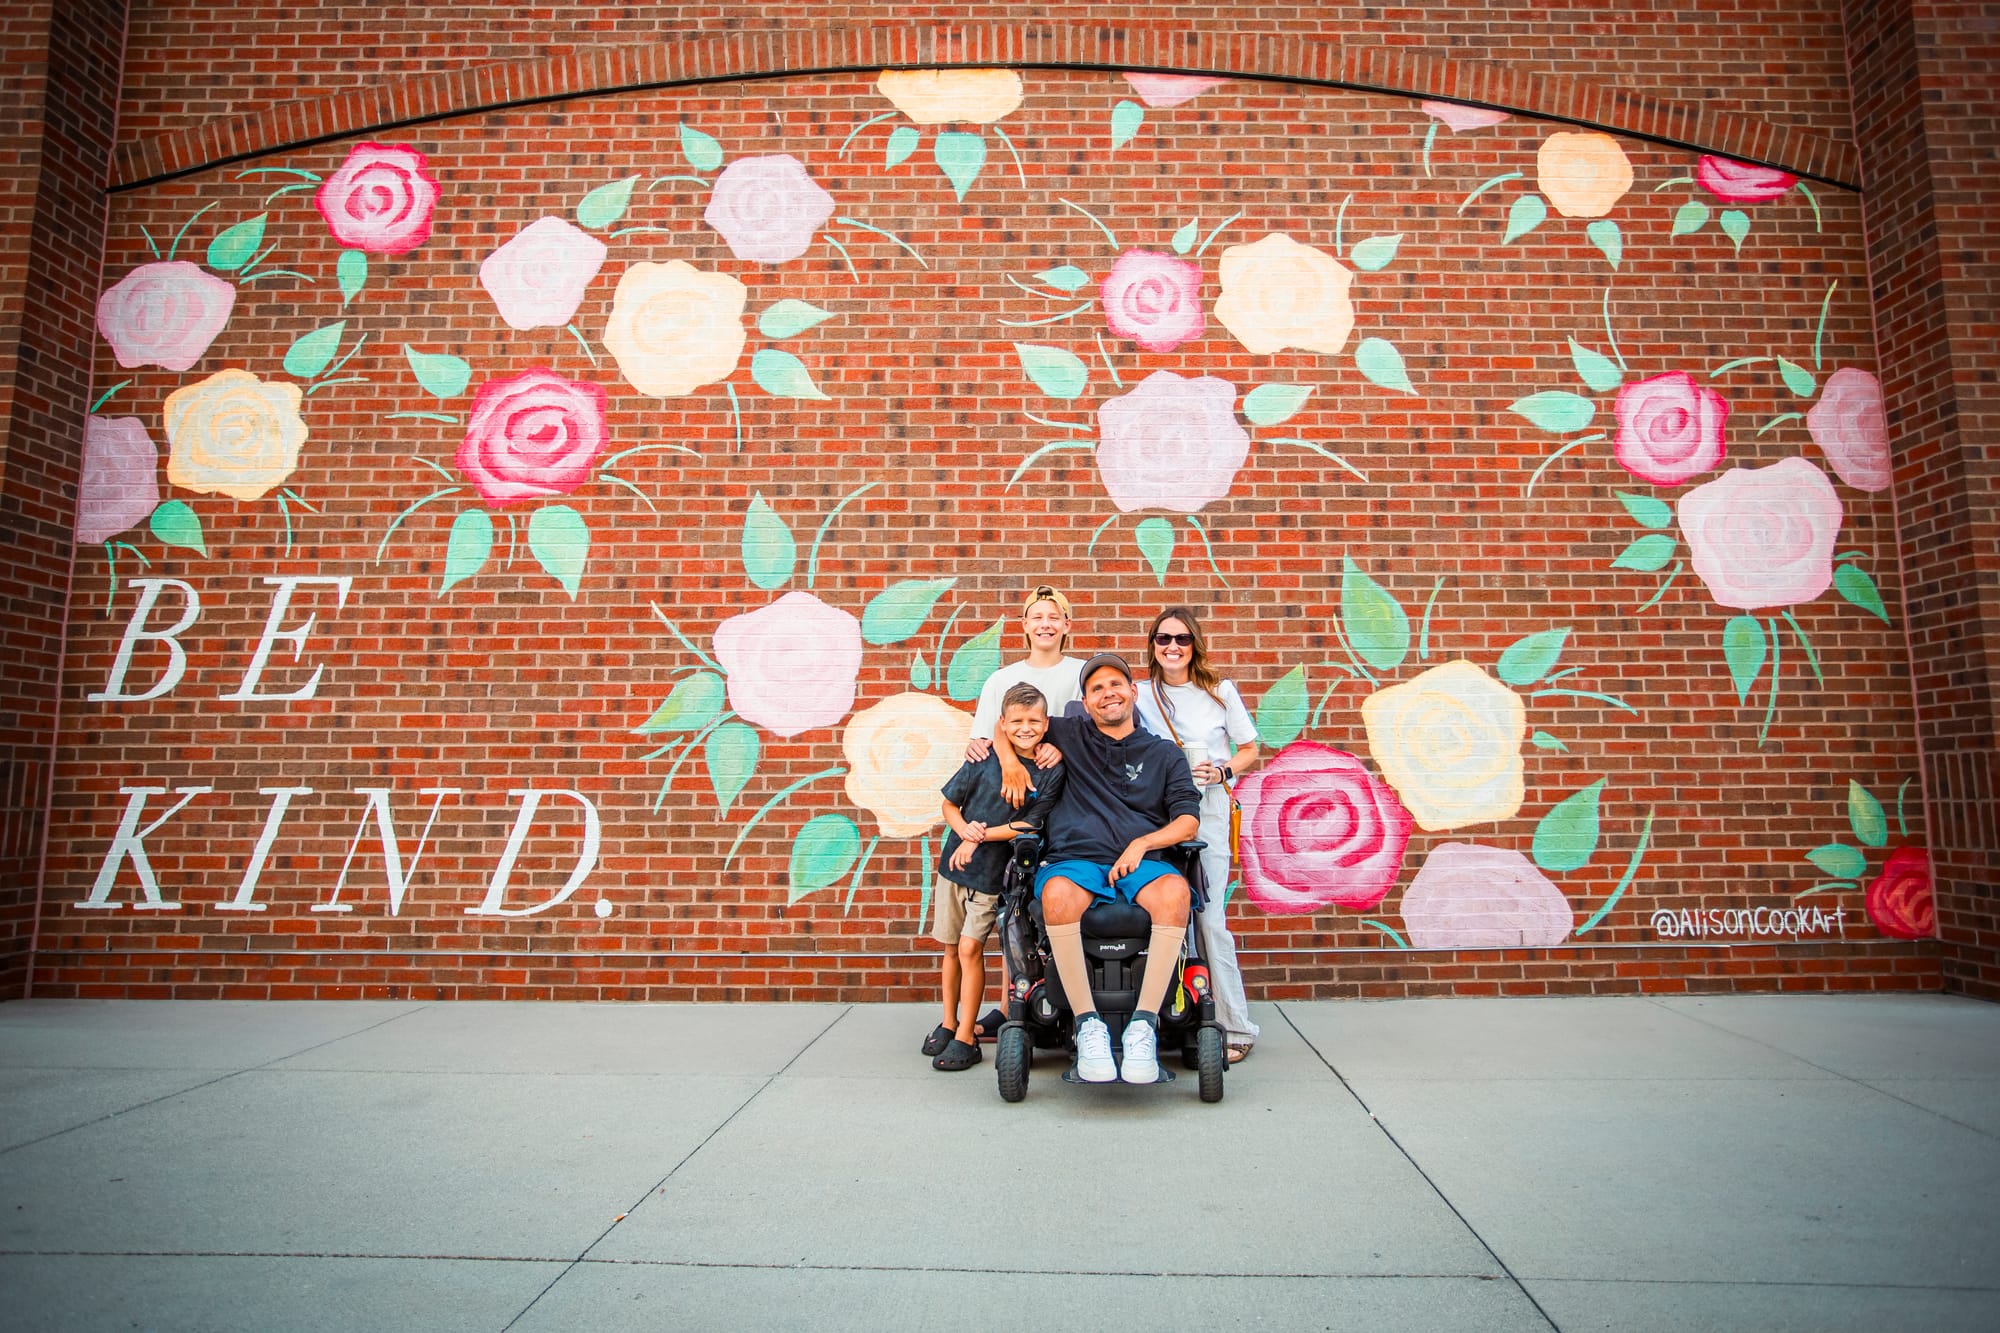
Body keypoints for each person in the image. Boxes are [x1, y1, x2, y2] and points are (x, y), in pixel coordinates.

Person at [1032, 653, 1201, 1084]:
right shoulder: (1068, 734)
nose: (1108, 694)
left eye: (1115, 685)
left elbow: (1187, 820)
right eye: (1097, 689)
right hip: (1077, 858)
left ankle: (1144, 1025)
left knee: (1175, 895)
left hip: (1142, 861)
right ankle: (1089, 1026)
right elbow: (1011, 721)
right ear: (1085, 703)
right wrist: (1013, 761)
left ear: (1133, 692)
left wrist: (1142, 843)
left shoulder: (1165, 754)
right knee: (1055, 896)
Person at [1133, 605, 1262, 1063]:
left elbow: (1250, 749)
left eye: (1182, 639)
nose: (1172, 647)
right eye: (1163, 639)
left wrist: (1222, 768)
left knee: (1208, 921)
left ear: (1195, 645)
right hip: (1155, 819)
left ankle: (1234, 1024)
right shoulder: (1140, 694)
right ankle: (1171, 1017)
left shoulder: (1219, 692)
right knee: (1159, 917)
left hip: (1207, 814)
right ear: (1152, 645)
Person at [923, 684, 1066, 1072]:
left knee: (971, 948)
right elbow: (950, 804)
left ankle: (968, 1037)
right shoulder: (983, 758)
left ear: (1046, 723)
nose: (1025, 728)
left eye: (1034, 721)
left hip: (993, 875)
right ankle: (949, 1023)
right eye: (1017, 721)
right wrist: (966, 832)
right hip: (954, 866)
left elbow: (1027, 824)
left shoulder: (1050, 770)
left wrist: (981, 835)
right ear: (1002, 724)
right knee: (951, 948)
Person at [966, 585, 1082, 803]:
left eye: (1053, 618)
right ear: (1025, 625)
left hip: (1069, 794)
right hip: (1013, 796)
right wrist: (1009, 762)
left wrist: (1063, 751)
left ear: (1067, 625)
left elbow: (1092, 736)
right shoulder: (1000, 680)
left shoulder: (1083, 675)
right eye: (1037, 617)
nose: (1045, 624)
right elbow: (984, 742)